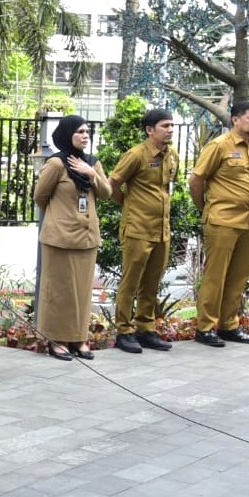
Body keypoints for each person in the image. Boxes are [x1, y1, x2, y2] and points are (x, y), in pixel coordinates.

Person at [34, 117, 113, 360]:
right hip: (60, 237)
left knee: (82, 291)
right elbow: (40, 196)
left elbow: (107, 193)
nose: (85, 135)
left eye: (87, 131)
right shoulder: (56, 164)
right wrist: (60, 217)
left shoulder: (92, 163)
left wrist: (91, 174)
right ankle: (56, 339)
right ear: (68, 134)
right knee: (59, 291)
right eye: (79, 131)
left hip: (86, 237)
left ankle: (78, 338)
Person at [188, 101, 249, 347]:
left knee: (238, 277)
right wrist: (205, 208)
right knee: (215, 276)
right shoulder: (219, 145)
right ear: (235, 119)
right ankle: (205, 328)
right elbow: (196, 180)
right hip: (222, 221)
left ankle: (229, 325)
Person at [108, 108, 179, 354]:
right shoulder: (136, 155)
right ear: (150, 130)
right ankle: (124, 331)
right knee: (130, 282)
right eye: (165, 126)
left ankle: (146, 328)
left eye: (172, 125)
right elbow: (113, 184)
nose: (170, 130)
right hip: (138, 229)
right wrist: (128, 205)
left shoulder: (172, 155)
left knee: (151, 283)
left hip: (162, 230)